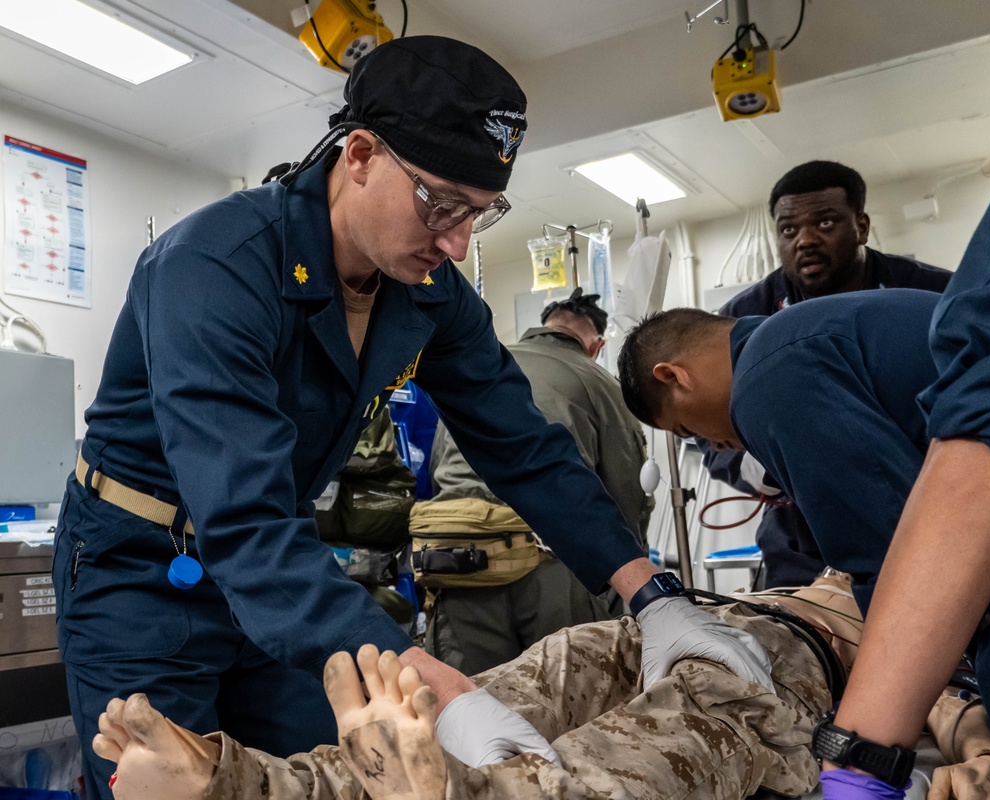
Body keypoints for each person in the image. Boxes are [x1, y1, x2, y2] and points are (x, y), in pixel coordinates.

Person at [53, 35, 772, 800]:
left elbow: (523, 445)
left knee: (321, 777)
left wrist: (650, 593)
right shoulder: (216, 266)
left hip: (279, 569)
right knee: (165, 782)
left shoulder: (427, 290)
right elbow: (244, 518)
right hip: (142, 567)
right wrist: (441, 688)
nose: (457, 240)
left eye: (480, 213)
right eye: (440, 204)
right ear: (360, 153)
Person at [92, 571, 990, 800]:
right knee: (487, 700)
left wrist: (979, 755)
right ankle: (236, 782)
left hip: (793, 659)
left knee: (687, 727)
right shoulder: (885, 544)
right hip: (683, 619)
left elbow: (946, 705)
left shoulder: (955, 616)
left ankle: (241, 784)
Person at [816, 136, 990, 798]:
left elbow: (979, 456)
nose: (806, 239)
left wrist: (857, 760)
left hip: (876, 609)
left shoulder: (783, 362)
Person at [700, 160, 951, 588]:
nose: (806, 241)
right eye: (789, 230)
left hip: (931, 504)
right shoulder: (740, 318)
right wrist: (759, 465)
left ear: (863, 226)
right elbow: (713, 433)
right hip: (800, 535)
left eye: (826, 222)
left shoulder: (932, 294)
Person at [617, 290, 943, 616]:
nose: (714, 445)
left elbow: (891, 553)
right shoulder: (789, 334)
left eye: (687, 429)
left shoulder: (766, 377)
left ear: (672, 375)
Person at [420, 287, 653, 674]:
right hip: (550, 564)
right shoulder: (597, 380)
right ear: (596, 345)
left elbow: (437, 469)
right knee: (570, 705)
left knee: (473, 703)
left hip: (456, 558)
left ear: (543, 327)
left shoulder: (479, 369)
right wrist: (630, 577)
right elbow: (626, 491)